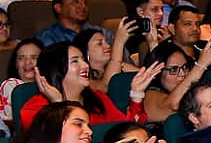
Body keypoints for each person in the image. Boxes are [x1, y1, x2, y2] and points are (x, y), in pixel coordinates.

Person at [21, 42, 155, 130]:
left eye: (84, 60)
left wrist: (137, 95)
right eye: (75, 61)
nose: (85, 66)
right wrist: (58, 104)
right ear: (55, 69)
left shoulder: (98, 98)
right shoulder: (34, 108)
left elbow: (127, 132)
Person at [36, 0, 112, 46]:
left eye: (85, 2)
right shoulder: (47, 38)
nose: (83, 6)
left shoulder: (102, 33)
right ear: (59, 8)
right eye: (76, 2)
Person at [74, 23, 138, 94]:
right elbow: (107, 86)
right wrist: (119, 42)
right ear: (86, 51)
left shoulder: (121, 66)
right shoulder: (85, 81)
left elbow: (147, 77)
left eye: (107, 42)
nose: (108, 46)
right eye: (99, 43)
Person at [0, 38, 40, 128]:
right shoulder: (10, 86)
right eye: (21, 58)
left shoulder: (54, 87)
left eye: (34, 57)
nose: (27, 62)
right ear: (16, 64)